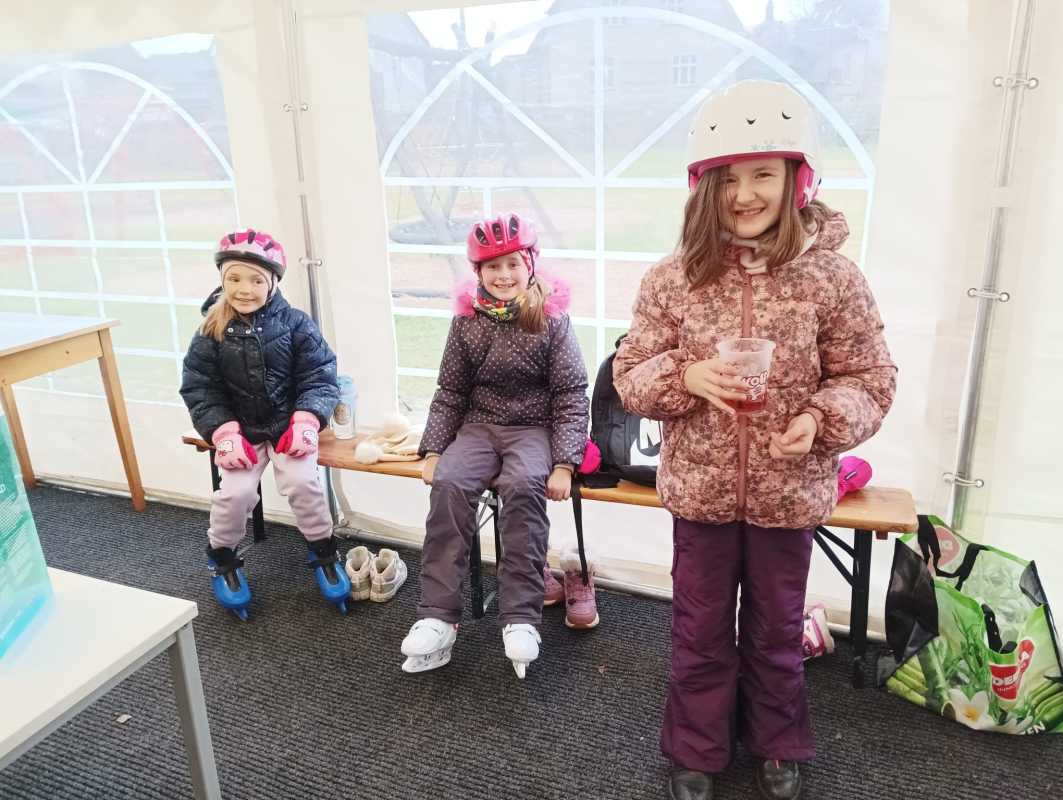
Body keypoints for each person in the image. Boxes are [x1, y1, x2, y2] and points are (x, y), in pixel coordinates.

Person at [613, 80, 897, 800]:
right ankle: (696, 748)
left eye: (762, 174)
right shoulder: (673, 279)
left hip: (788, 494)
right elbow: (630, 375)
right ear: (703, 187)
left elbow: (869, 378)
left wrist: (820, 420)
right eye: (728, 178)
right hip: (700, 492)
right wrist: (686, 375)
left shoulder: (832, 279)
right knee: (700, 626)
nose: (744, 195)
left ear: (796, 179)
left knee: (775, 629)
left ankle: (777, 742)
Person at [400, 213, 589, 679]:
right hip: (479, 427)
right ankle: (438, 616)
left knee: (524, 488)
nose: (503, 276)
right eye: (492, 267)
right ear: (478, 272)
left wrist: (565, 463)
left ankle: (521, 617)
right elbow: (450, 391)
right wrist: (433, 451)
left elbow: (571, 393)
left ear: (530, 264)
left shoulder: (552, 320)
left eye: (512, 265)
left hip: (533, 429)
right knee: (449, 484)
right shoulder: (466, 322)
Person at [180, 228, 349, 620]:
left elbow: (320, 376)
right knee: (235, 493)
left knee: (304, 484)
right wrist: (223, 432)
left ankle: (324, 551)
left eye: (256, 280)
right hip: (240, 433)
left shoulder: (296, 324)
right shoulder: (210, 330)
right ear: (222, 280)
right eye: (235, 279)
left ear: (272, 282)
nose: (245, 289)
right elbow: (200, 387)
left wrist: (307, 419)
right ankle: (222, 556)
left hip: (288, 429)